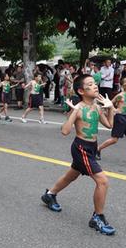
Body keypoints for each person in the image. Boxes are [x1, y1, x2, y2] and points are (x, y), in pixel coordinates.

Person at [41, 74, 117, 235]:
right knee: (102, 181)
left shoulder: (96, 106)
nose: (95, 86)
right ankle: (97, 217)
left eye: (95, 83)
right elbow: (65, 131)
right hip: (81, 147)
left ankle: (50, 195)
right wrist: (73, 112)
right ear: (81, 91)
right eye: (90, 84)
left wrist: (110, 108)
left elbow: (110, 125)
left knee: (71, 175)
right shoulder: (79, 108)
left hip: (91, 147)